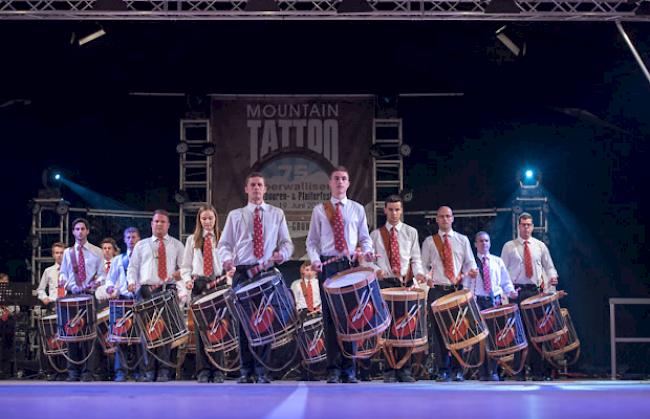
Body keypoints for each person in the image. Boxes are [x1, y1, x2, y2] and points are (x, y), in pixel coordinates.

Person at [218, 172, 293, 384]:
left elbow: (287, 243)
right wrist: (226, 259)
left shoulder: (276, 214)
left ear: (265, 189)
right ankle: (245, 370)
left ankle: (262, 370)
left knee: (265, 321)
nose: (257, 188)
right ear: (246, 189)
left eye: (260, 185)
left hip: (266, 271)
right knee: (243, 323)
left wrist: (283, 255)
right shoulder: (235, 215)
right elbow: (224, 245)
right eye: (253, 185)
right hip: (243, 272)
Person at [306, 166, 374, 384]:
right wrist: (316, 260)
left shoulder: (357, 209)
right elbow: (312, 242)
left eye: (343, 178)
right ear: (330, 183)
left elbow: (364, 238)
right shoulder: (320, 210)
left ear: (349, 183)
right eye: (336, 178)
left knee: (352, 318)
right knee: (330, 318)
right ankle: (333, 369)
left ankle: (350, 368)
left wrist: (368, 250)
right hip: (329, 267)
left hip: (350, 266)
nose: (339, 182)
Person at [365, 194, 425, 383]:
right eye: (390, 209)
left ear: (401, 210)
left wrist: (419, 273)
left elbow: (416, 258)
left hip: (404, 283)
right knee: (387, 327)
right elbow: (368, 261)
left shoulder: (411, 232)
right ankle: (389, 369)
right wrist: (376, 270)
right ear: (385, 210)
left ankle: (404, 369)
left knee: (405, 326)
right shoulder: (375, 235)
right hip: (385, 284)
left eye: (397, 209)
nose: (394, 213)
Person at [127, 210, 186, 382]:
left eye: (163, 222)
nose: (159, 224)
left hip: (166, 290)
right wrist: (131, 281)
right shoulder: (141, 245)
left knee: (165, 333)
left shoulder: (176, 245)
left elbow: (184, 268)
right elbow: (132, 267)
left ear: (168, 225)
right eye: (156, 221)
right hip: (145, 291)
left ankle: (164, 371)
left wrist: (180, 278)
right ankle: (148, 370)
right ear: (151, 224)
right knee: (147, 332)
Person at [421, 206, 478, 382]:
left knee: (459, 330)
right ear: (436, 219)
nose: (445, 219)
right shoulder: (430, 242)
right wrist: (425, 278)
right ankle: (442, 369)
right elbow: (422, 265)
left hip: (456, 291)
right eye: (441, 217)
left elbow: (470, 263)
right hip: (437, 290)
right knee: (438, 332)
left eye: (448, 216)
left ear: (452, 219)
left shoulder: (462, 240)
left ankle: (458, 369)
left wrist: (473, 271)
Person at [501, 212, 559, 381]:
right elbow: (503, 272)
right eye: (523, 224)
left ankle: (537, 371)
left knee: (537, 333)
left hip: (535, 293)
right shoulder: (509, 246)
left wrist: (553, 277)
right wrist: (506, 293)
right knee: (518, 333)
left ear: (532, 227)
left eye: (528, 224)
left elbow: (549, 267)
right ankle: (519, 372)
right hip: (517, 293)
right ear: (518, 227)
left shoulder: (540, 246)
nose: (526, 227)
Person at [181, 204, 233, 383]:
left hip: (218, 284)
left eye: (210, 218)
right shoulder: (192, 240)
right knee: (201, 330)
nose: (207, 222)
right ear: (199, 220)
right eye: (204, 219)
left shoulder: (223, 238)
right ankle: (203, 370)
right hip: (199, 286)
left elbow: (229, 263)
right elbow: (186, 266)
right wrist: (187, 278)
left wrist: (230, 274)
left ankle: (218, 370)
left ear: (215, 219)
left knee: (218, 328)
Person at [464, 231, 518, 381]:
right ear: (475, 244)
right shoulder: (471, 263)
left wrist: (511, 292)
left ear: (490, 243)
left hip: (494, 300)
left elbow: (505, 281)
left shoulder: (497, 261)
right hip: (477, 301)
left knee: (495, 337)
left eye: (486, 241)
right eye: (480, 241)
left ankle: (493, 371)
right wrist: (469, 276)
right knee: (480, 338)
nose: (484, 243)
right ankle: (482, 372)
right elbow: (465, 285)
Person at [58, 218, 104, 382]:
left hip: (89, 295)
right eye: (76, 229)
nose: (80, 232)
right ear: (73, 232)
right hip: (71, 296)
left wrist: (96, 283)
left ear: (87, 231)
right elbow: (63, 272)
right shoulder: (67, 253)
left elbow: (102, 275)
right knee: (71, 334)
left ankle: (88, 372)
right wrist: (63, 279)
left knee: (89, 335)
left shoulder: (97, 251)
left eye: (82, 229)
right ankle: (73, 372)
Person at [105, 227, 143, 382]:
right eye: (128, 237)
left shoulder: (143, 259)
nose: (131, 240)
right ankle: (121, 372)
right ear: (124, 239)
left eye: (134, 237)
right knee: (121, 338)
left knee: (139, 339)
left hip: (139, 300)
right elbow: (110, 279)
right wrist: (109, 287)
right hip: (122, 301)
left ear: (139, 239)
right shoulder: (118, 260)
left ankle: (139, 372)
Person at [36, 242, 67, 380]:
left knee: (66, 338)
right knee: (53, 340)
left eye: (61, 252)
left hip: (66, 306)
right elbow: (40, 289)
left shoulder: (71, 269)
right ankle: (53, 371)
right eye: (56, 253)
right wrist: (44, 298)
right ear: (53, 254)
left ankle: (66, 370)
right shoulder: (48, 271)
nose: (59, 255)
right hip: (53, 305)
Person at [0, 273, 19, 379]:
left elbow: (17, 308)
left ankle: (6, 371)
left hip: (8, 320)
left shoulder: (11, 293)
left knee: (7, 344)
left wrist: (9, 310)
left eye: (6, 281)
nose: (5, 283)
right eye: (2, 282)